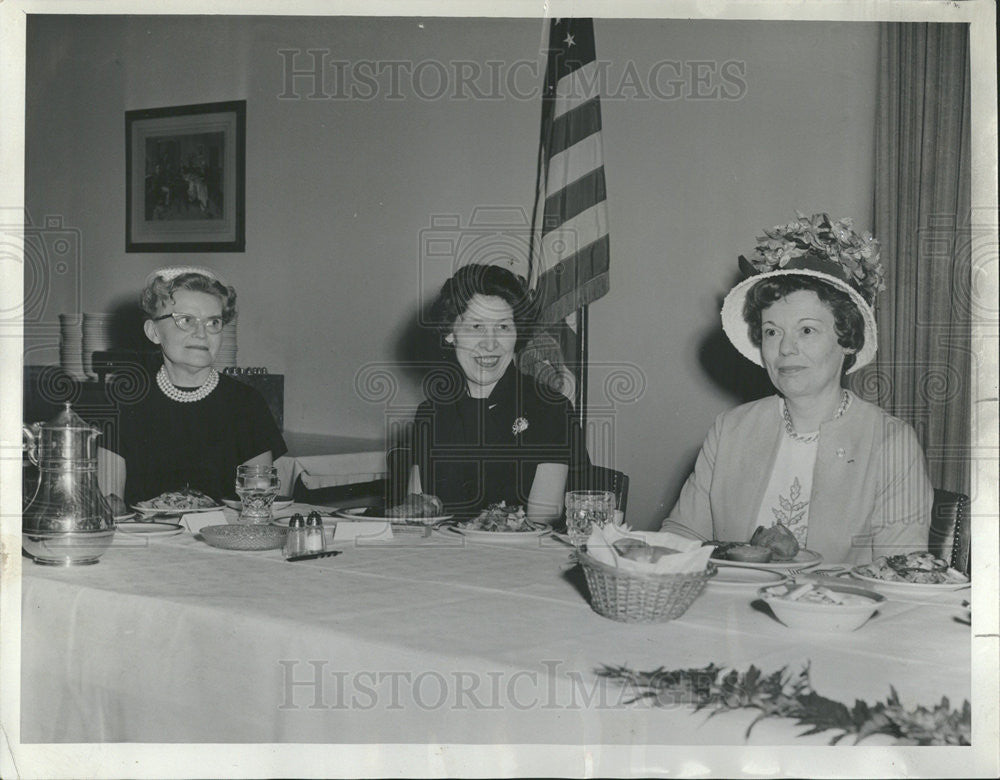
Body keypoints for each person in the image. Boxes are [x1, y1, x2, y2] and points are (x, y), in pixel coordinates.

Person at [662, 213, 932, 564]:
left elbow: (903, 574)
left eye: (806, 330)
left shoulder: (891, 443)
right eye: (773, 331)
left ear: (847, 340)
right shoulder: (730, 429)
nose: (785, 349)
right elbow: (681, 539)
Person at [410, 263, 588, 523]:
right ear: (450, 333)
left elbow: (540, 521)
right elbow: (415, 515)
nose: (491, 343)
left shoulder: (549, 408)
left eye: (504, 327)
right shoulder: (430, 412)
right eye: (476, 327)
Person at [102, 267, 286, 507]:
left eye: (213, 322)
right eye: (186, 320)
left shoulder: (246, 403)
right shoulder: (123, 401)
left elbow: (259, 502)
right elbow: (108, 503)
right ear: (153, 331)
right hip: (144, 539)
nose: (202, 333)